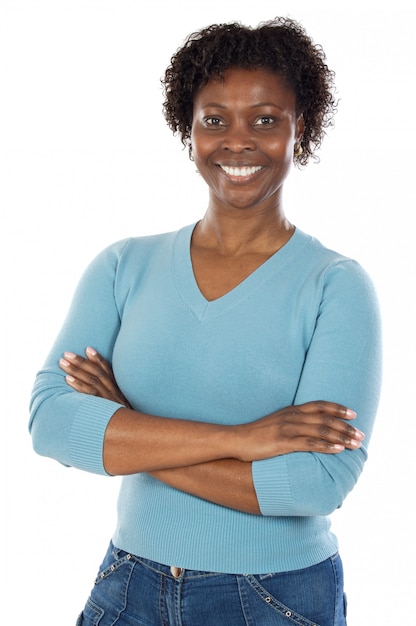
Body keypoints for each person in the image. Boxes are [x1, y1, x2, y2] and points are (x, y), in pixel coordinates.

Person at [29, 17, 382, 626]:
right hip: (128, 582)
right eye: (213, 119)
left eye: (266, 120)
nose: (237, 141)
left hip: (274, 597)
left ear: (303, 130)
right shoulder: (122, 266)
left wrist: (126, 431)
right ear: (187, 130)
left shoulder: (336, 286)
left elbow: (316, 482)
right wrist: (244, 440)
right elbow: (52, 422)